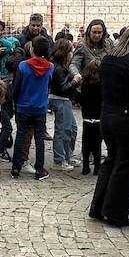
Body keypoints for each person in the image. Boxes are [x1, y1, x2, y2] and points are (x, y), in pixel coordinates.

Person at [89, 23, 129, 227]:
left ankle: (98, 208)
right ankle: (116, 213)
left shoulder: (108, 59)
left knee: (111, 161)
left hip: (108, 116)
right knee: (127, 166)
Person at [10, 35, 54, 180]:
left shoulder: (23, 66)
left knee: (21, 136)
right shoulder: (50, 67)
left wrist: (14, 100)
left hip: (23, 106)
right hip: (40, 107)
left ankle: (16, 168)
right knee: (39, 138)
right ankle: (39, 169)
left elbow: (16, 87)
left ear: (31, 49)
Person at [48, 38, 79, 171]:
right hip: (60, 99)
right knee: (63, 130)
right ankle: (60, 158)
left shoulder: (60, 67)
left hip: (64, 99)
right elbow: (63, 88)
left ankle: (68, 154)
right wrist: (75, 81)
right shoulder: (58, 68)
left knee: (71, 128)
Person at [79, 58, 104, 176]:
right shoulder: (102, 85)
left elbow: (81, 99)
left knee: (86, 143)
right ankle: (97, 167)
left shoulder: (84, 84)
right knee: (97, 143)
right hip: (98, 117)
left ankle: (85, 167)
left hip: (87, 117)